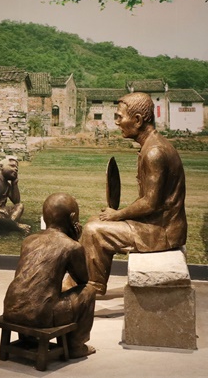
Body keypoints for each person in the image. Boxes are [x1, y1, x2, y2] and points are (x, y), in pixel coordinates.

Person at [81, 91, 187, 295]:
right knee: (95, 220)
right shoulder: (151, 145)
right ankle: (91, 281)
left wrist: (118, 215)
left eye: (119, 117)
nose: (117, 122)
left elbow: (150, 203)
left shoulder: (154, 152)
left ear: (137, 120)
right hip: (156, 223)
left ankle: (92, 286)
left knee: (94, 230)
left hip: (161, 230)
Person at [3, 193, 96, 359]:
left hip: (11, 308)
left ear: (45, 217)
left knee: (39, 292)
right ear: (73, 218)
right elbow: (83, 279)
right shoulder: (71, 246)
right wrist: (76, 240)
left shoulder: (29, 240)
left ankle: (28, 338)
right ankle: (75, 346)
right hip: (40, 315)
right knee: (88, 291)